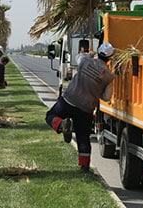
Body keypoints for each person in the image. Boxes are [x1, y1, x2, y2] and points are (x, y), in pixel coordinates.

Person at [45, 42, 116, 172]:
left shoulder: (85, 61)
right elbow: (106, 97)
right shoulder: (109, 76)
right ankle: (84, 167)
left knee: (50, 116)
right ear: (110, 58)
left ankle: (61, 125)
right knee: (83, 137)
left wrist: (88, 54)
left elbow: (78, 57)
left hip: (69, 100)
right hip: (86, 108)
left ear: (98, 52)